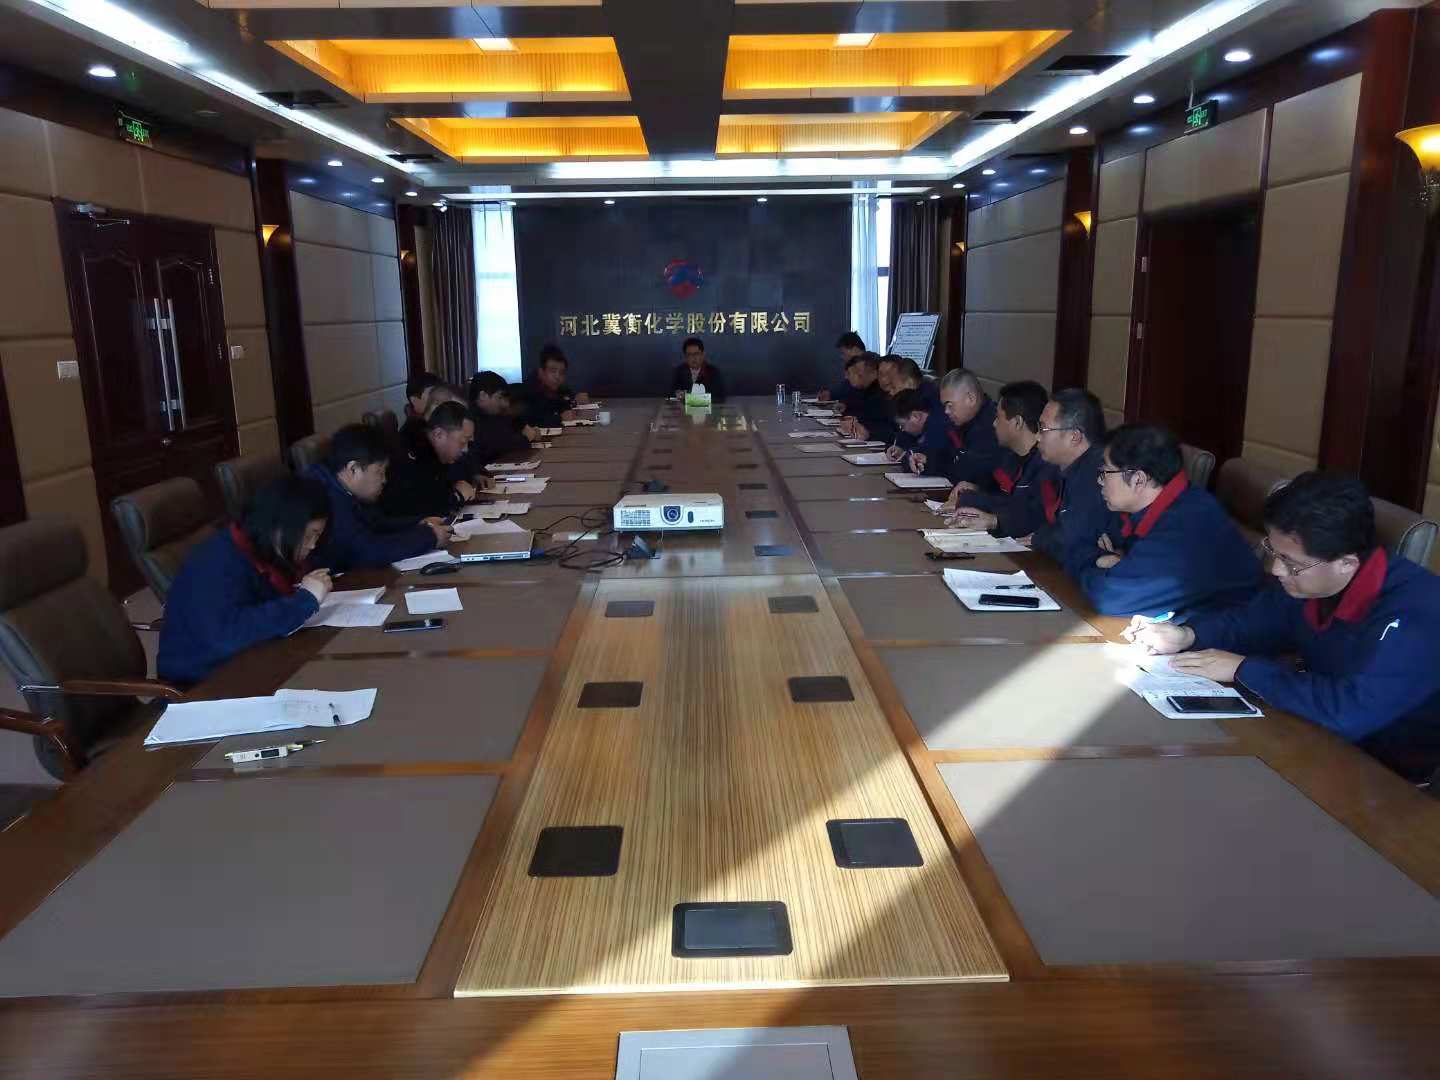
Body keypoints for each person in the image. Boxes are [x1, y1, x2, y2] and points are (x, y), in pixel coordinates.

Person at [1128, 472, 1440, 782]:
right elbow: (1256, 621)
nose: (1277, 569)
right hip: (1311, 734)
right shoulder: (1311, 581)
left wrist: (1243, 669)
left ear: (1346, 563)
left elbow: (1351, 711)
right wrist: (1188, 634)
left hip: (1385, 775)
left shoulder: (1419, 611)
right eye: (1273, 551)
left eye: (1291, 563)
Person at [158, 476, 332, 686]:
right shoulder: (219, 561)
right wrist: (303, 601)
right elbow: (228, 634)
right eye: (309, 535)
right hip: (201, 682)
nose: (312, 545)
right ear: (281, 525)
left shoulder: (259, 546)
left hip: (250, 661)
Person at [1075, 425, 1261, 618]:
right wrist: (1107, 561)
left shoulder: (1186, 525)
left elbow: (1110, 597)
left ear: (1138, 480)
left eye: (1105, 472)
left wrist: (1095, 561)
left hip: (1229, 631)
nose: (1100, 481)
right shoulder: (1165, 503)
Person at [306, 424, 449, 573]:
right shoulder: (324, 497)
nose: (384, 480)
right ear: (353, 469)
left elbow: (375, 524)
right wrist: (429, 537)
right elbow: (365, 552)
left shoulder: (338, 485)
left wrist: (419, 523)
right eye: (380, 472)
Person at [945, 380, 1055, 539]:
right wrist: (976, 489)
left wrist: (975, 501)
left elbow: (1026, 513)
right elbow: (1000, 498)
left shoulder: (1046, 465)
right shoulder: (1009, 458)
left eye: (998, 417)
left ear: (1017, 422)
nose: (994, 423)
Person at [1031, 388, 1121, 574]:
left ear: (1074, 436)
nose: (1037, 436)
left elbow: (1069, 541)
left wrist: (1039, 537)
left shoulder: (1095, 473)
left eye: (1043, 429)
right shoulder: (1063, 467)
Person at [380, 400, 475, 520]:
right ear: (438, 435)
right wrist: (457, 496)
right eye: (462, 442)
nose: (465, 449)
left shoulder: (438, 453)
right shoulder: (409, 457)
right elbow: (421, 508)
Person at [465, 371, 537, 468]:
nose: (505, 404)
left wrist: (524, 428)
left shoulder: (494, 415)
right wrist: (526, 438)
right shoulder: (470, 422)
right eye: (499, 398)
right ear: (483, 396)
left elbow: (511, 430)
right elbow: (500, 447)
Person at [519, 344, 587, 427]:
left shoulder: (556, 388)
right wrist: (560, 418)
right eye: (553, 371)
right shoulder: (529, 391)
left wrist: (575, 400)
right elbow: (531, 421)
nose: (557, 377)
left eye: (561, 372)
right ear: (541, 372)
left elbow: (564, 401)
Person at [836, 353, 897, 443]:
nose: (884, 380)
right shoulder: (873, 391)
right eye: (881, 374)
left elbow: (895, 432)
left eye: (860, 374)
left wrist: (868, 432)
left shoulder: (894, 397)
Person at [671, 337, 727, 402]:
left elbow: (720, 397)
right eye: (689, 355)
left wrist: (691, 399)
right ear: (685, 357)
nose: (693, 358)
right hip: (685, 408)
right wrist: (679, 395)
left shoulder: (713, 372)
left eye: (696, 354)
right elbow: (671, 394)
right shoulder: (679, 371)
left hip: (708, 408)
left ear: (703, 354)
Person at [818, 332, 865, 403]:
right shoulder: (853, 367)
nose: (842, 357)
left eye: (843, 353)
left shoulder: (869, 366)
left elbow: (855, 394)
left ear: (855, 350)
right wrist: (830, 393)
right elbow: (845, 387)